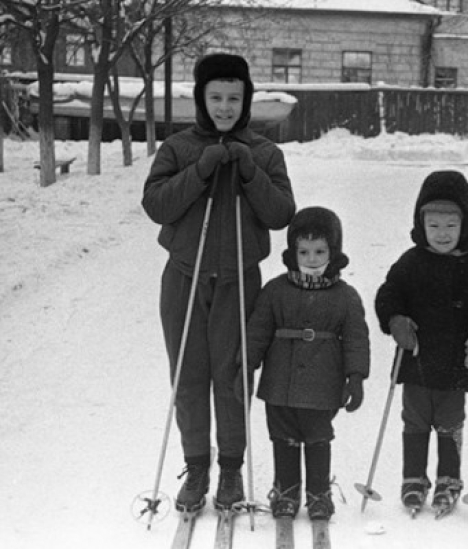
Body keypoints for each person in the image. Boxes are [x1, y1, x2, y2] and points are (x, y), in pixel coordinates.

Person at [142, 53, 295, 512]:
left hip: (238, 281)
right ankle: (197, 467)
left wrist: (248, 172)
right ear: (201, 100)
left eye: (234, 98)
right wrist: (201, 169)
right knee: (189, 378)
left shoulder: (265, 152)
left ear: (245, 100)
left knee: (231, 378)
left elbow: (280, 213)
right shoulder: (178, 148)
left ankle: (231, 469)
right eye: (215, 98)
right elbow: (157, 206)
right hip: (185, 280)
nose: (224, 107)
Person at [374, 170, 468, 514]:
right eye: (433, 226)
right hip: (417, 360)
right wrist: (395, 321)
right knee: (415, 423)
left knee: (449, 424)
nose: (442, 234)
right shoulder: (411, 262)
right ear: (421, 224)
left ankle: (449, 479)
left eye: (450, 225)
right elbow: (388, 295)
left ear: (465, 223)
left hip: (455, 364)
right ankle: (414, 479)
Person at [236, 206, 370, 521]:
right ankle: (286, 491)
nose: (311, 258)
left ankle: (319, 493)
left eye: (320, 250)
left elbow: (355, 338)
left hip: (324, 382)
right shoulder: (275, 291)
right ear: (293, 251)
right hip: (279, 381)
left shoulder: (346, 296)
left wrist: (356, 376)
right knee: (282, 436)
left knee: (317, 435)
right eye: (304, 250)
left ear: (333, 251)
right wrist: (247, 365)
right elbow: (257, 332)